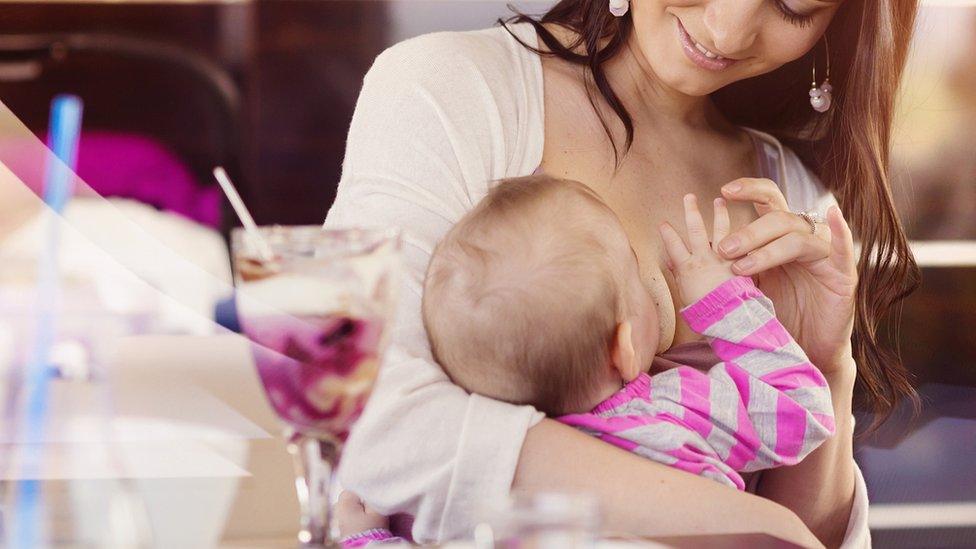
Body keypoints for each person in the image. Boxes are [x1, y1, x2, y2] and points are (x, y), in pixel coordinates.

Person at [325, 1, 921, 547]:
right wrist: (751, 524)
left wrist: (825, 358)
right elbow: (370, 417)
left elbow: (817, 537)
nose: (727, 29)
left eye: (793, 5)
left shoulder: (787, 197)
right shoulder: (453, 91)